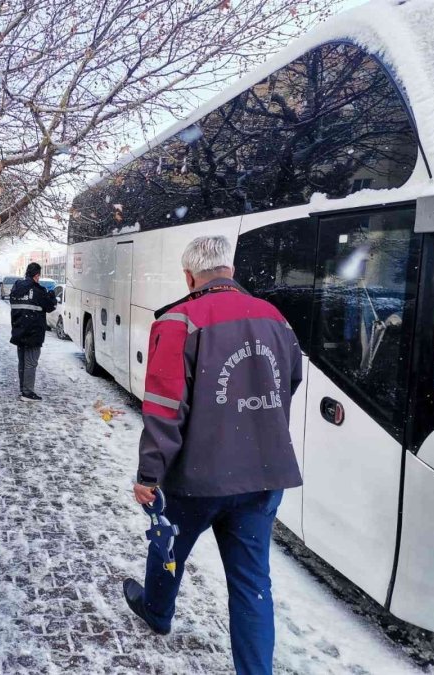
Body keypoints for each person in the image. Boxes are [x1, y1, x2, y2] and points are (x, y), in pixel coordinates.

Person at [123, 235, 303, 675]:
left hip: (198, 478)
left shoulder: (179, 320)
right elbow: (290, 381)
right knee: (251, 584)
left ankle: (157, 612)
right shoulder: (277, 319)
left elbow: (164, 410)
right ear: (231, 271)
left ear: (189, 277)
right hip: (263, 475)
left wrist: (149, 475)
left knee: (168, 547)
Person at [9, 262, 57, 402]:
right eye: (39, 276)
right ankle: (27, 393)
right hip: (33, 332)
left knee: (22, 362)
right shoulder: (38, 290)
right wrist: (52, 297)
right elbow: (50, 307)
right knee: (30, 363)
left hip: (18, 330)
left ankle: (23, 388)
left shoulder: (16, 287)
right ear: (36, 275)